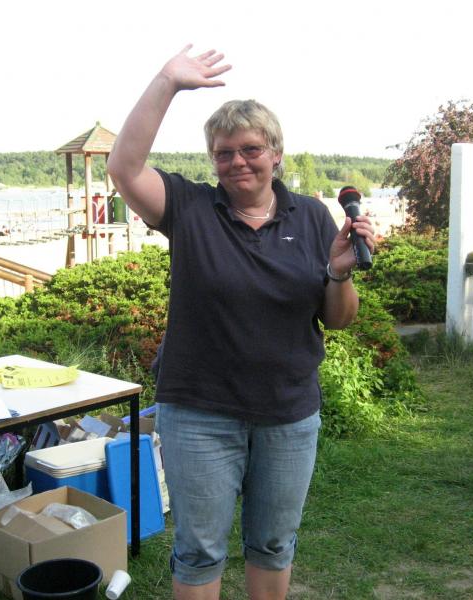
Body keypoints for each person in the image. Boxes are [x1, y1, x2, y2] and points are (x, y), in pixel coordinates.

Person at [107, 45, 375, 600]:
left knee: (273, 544)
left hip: (287, 413)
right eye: (223, 153)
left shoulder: (312, 215)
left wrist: (338, 273)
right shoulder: (189, 208)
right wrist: (167, 81)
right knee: (199, 550)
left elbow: (338, 320)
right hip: (198, 414)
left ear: (276, 154)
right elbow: (124, 168)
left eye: (251, 149)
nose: (238, 162)